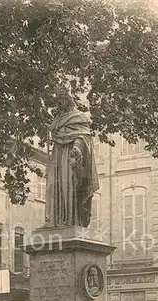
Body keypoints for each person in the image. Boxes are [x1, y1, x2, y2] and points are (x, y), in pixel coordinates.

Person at [45, 87, 99, 228]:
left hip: (71, 159)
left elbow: (83, 136)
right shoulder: (57, 120)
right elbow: (56, 135)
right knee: (57, 188)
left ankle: (72, 220)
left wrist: (77, 148)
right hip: (58, 158)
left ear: (68, 100)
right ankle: (58, 220)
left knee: (69, 186)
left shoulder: (79, 117)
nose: (59, 103)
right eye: (58, 101)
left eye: (62, 100)